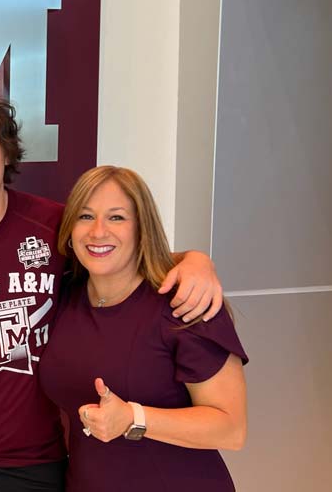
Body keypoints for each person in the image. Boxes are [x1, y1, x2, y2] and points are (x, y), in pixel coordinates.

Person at [0, 88, 224, 492]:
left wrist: (194, 260)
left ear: (6, 153)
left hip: (43, 462)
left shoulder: (54, 226)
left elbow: (126, 256)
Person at [39, 166, 247, 492]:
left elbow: (231, 429)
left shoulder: (185, 304)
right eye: (85, 216)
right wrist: (195, 257)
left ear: (142, 228)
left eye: (117, 218)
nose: (98, 232)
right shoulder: (64, 296)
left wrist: (134, 418)